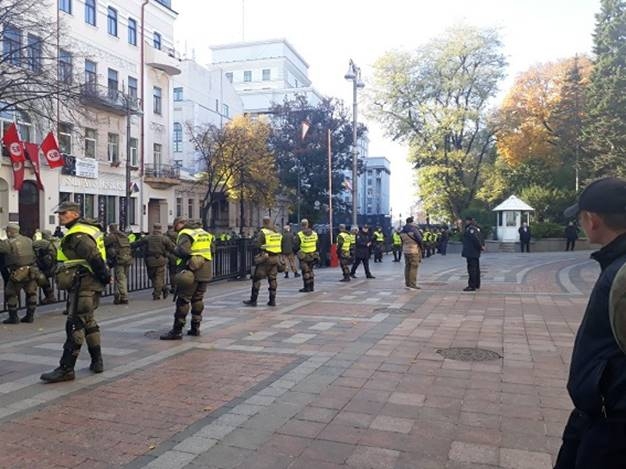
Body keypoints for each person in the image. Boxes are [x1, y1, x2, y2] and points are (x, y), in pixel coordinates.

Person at [554, 177, 626, 468]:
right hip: (598, 413)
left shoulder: (621, 274)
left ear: (592, 220)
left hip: (612, 425)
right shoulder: (615, 264)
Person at [40, 201, 111, 382]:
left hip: (84, 283)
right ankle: (97, 361)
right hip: (88, 282)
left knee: (75, 324)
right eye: (60, 213)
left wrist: (105, 276)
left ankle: (66, 368)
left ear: (74, 214)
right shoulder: (87, 229)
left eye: (63, 213)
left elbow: (93, 257)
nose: (60, 216)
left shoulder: (78, 233)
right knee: (88, 322)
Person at [160, 217, 215, 340]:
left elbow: (182, 251)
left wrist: (173, 249)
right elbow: (212, 250)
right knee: (198, 299)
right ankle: (195, 328)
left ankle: (177, 330)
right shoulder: (205, 233)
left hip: (191, 271)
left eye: (176, 225)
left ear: (181, 224)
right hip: (205, 269)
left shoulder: (186, 233)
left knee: (183, 300)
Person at [0, 224, 39, 324]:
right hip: (31, 270)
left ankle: (13, 317)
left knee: (11, 293)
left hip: (17, 271)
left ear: (9, 232)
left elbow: (3, 249)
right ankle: (30, 316)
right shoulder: (28, 240)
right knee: (31, 293)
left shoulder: (9, 242)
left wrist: (2, 239)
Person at [243, 216, 282, 306]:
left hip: (266, 258)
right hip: (275, 258)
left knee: (257, 278)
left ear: (264, 222)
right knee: (272, 279)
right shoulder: (277, 233)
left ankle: (253, 300)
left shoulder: (263, 232)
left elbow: (257, 244)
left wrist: (261, 247)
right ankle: (272, 300)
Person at [132, 223, 175, 300]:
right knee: (159, 277)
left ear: (153, 228)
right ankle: (160, 291)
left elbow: (137, 243)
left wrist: (128, 245)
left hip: (150, 260)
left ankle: (158, 292)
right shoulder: (164, 238)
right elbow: (172, 248)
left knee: (152, 277)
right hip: (161, 259)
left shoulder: (148, 238)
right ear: (160, 228)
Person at [104, 223, 132, 304]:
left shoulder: (113, 236)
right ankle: (117, 296)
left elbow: (104, 242)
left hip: (119, 259)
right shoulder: (124, 236)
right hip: (128, 258)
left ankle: (124, 297)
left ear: (110, 229)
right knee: (123, 278)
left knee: (120, 278)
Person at [32, 229, 58, 305]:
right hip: (57, 264)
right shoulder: (56, 241)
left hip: (48, 266)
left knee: (42, 279)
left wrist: (36, 237)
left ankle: (50, 296)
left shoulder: (44, 242)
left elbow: (33, 244)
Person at [294, 219, 319, 292]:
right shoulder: (314, 234)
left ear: (301, 225)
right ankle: (312, 286)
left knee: (305, 272)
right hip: (313, 255)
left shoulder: (300, 234)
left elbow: (296, 246)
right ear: (308, 224)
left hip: (304, 256)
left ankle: (306, 287)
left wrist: (297, 252)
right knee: (311, 270)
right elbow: (317, 244)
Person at [461, 216, 483, 292]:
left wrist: (480, 247)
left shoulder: (470, 229)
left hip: (471, 252)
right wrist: (481, 246)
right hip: (475, 252)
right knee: (476, 268)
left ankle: (472, 285)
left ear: (469, 221)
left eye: (466, 221)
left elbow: (475, 239)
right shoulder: (476, 228)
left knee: (472, 269)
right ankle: (477, 283)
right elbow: (481, 238)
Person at [400, 217, 423, 290]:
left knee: (407, 266)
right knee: (414, 266)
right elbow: (420, 239)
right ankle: (413, 284)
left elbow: (402, 241)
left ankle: (407, 283)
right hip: (414, 250)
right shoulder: (414, 230)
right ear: (411, 222)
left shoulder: (402, 231)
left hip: (406, 250)